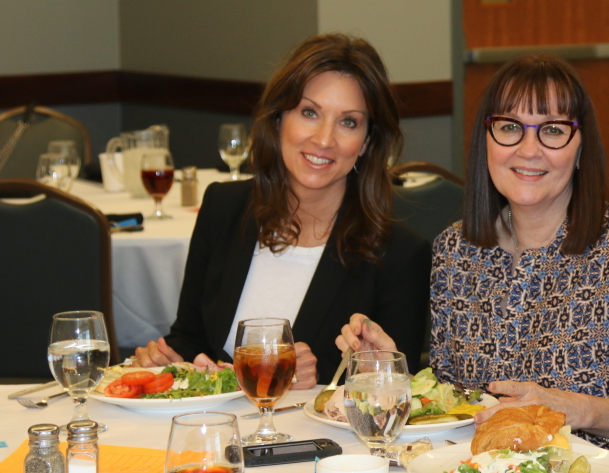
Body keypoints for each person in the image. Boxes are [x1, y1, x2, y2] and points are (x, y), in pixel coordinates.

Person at [339, 54, 609, 473]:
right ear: (485, 142)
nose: (529, 150)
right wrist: (393, 373)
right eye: (509, 128)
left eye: (553, 131)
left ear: (581, 149)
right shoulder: (456, 251)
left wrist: (578, 409)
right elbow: (460, 403)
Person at [133, 33, 431, 386]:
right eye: (309, 112)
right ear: (279, 120)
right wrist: (164, 359)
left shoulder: (399, 255)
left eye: (348, 122)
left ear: (366, 142)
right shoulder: (223, 208)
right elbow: (190, 338)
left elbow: (396, 386)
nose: (323, 139)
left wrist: (318, 375)